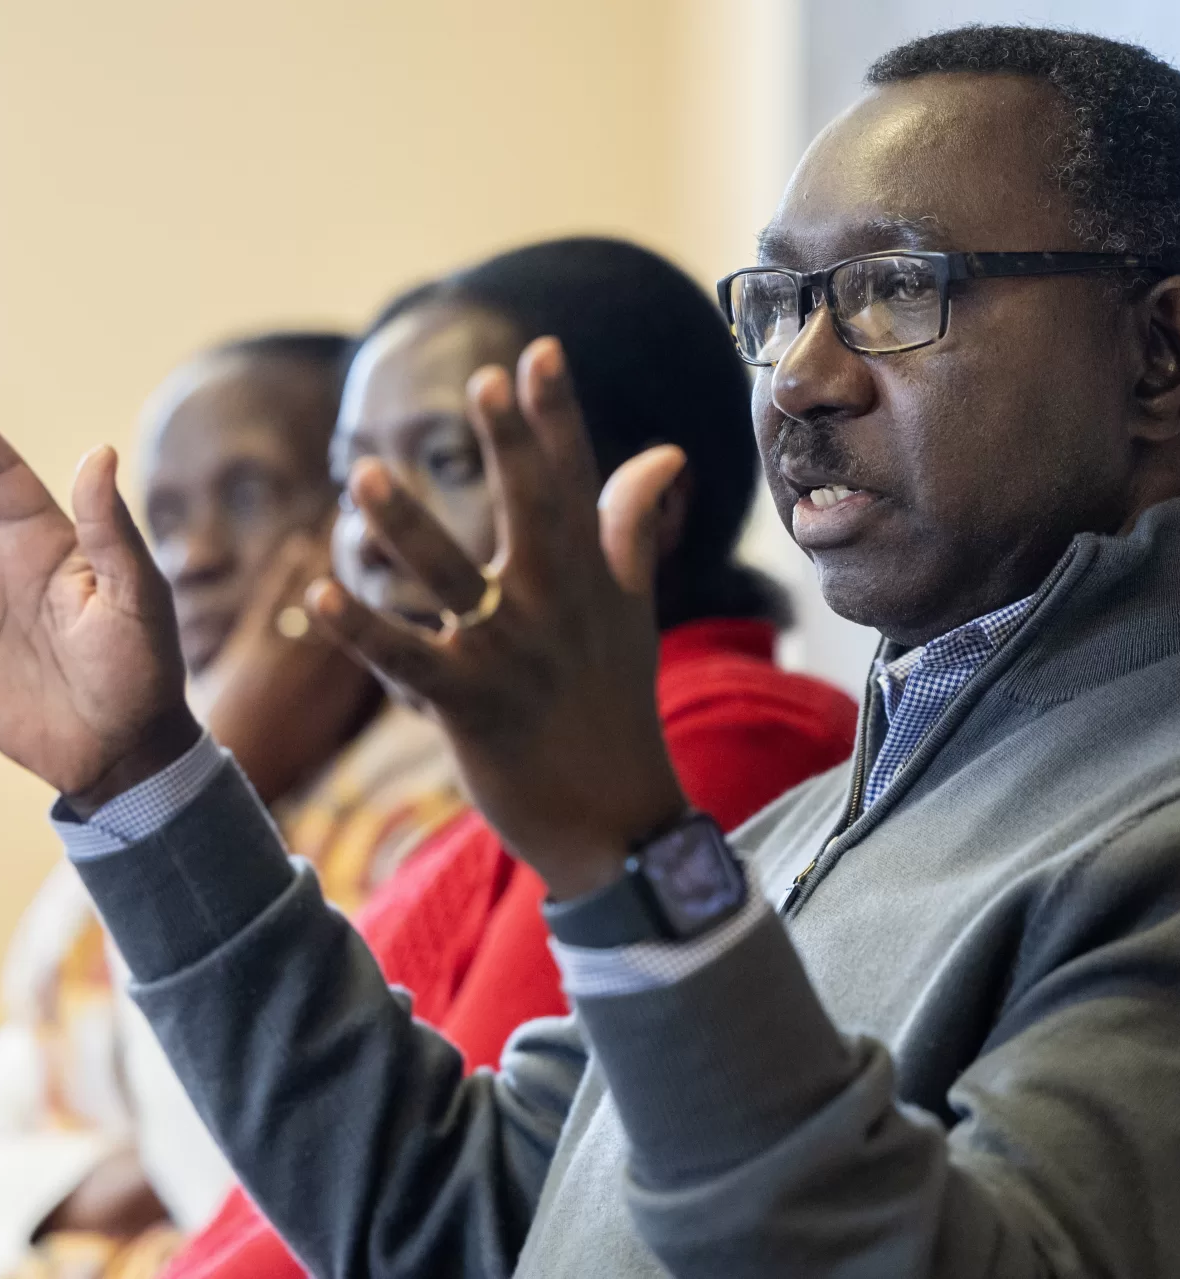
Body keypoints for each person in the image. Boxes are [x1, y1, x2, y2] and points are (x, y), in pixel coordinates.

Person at [0, 25, 1180, 1279]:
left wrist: (629, 861)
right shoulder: (835, 812)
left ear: (1159, 356)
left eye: (896, 290)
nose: (800, 375)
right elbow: (440, 1218)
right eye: (775, 305)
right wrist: (144, 781)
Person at [157, 239, 859, 1279]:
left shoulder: (721, 743)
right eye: (354, 483)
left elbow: (446, 1214)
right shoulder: (498, 771)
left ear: (639, 504)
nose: (373, 535)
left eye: (444, 465)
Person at [0, 333, 465, 1279]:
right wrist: (222, 755)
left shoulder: (443, 807)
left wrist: (213, 761)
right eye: (167, 514)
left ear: (359, 515)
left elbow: (288, 1175)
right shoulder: (175, 782)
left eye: (252, 495)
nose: (193, 556)